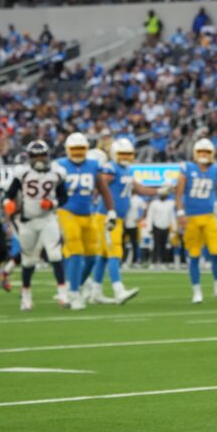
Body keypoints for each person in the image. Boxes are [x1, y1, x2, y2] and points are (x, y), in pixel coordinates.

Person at [93, 138, 165, 304]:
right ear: (114, 154)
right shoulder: (111, 168)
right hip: (106, 217)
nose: (125, 157)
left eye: (128, 154)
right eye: (122, 154)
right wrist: (107, 207)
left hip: (116, 218)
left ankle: (96, 292)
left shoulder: (127, 170)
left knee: (103, 255)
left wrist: (159, 190)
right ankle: (118, 290)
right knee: (114, 252)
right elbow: (101, 185)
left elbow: (139, 188)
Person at [55, 132, 117, 310]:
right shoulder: (59, 166)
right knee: (76, 251)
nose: (77, 153)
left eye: (80, 149)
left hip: (87, 214)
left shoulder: (92, 165)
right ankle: (73, 295)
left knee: (91, 257)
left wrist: (111, 210)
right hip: (66, 212)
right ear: (67, 150)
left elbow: (103, 189)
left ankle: (75, 287)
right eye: (74, 149)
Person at [3, 141, 68, 311]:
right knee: (28, 260)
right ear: (29, 157)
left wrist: (52, 203)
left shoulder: (57, 172)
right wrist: (7, 203)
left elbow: (64, 197)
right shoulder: (23, 172)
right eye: (35, 156)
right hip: (28, 221)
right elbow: (9, 193)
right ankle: (26, 297)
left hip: (48, 219)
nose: (39, 159)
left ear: (47, 156)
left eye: (41, 155)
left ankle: (63, 293)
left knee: (55, 255)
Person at [175, 138, 217, 304]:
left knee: (216, 251)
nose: (204, 155)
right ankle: (197, 291)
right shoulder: (187, 168)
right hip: (191, 217)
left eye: (207, 152)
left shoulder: (215, 170)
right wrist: (180, 212)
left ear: (212, 154)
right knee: (193, 255)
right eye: (201, 152)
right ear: (195, 153)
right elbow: (178, 192)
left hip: (209, 216)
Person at [147, 188, 176, 268]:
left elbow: (172, 216)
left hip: (166, 226)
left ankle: (163, 262)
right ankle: (153, 262)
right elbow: (150, 216)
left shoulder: (170, 204)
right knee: (156, 245)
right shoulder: (154, 203)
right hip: (156, 226)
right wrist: (149, 227)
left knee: (164, 245)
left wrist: (174, 227)